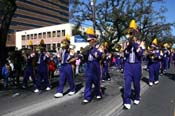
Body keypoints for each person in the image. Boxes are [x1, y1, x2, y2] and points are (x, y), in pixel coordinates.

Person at [123, 20, 145, 109]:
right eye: (130, 32)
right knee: (127, 83)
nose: (131, 34)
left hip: (136, 65)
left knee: (136, 83)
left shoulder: (141, 43)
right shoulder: (127, 43)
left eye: (133, 32)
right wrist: (126, 47)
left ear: (136, 33)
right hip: (128, 65)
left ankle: (137, 96)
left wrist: (135, 44)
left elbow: (140, 54)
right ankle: (127, 101)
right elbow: (125, 54)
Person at [82, 27, 104, 103]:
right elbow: (85, 56)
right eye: (88, 41)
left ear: (94, 40)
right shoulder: (88, 47)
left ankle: (98, 93)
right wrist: (84, 52)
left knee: (96, 81)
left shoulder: (100, 46)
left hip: (96, 65)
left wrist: (92, 49)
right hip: (89, 65)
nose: (89, 42)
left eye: (90, 40)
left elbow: (98, 55)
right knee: (88, 81)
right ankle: (87, 97)